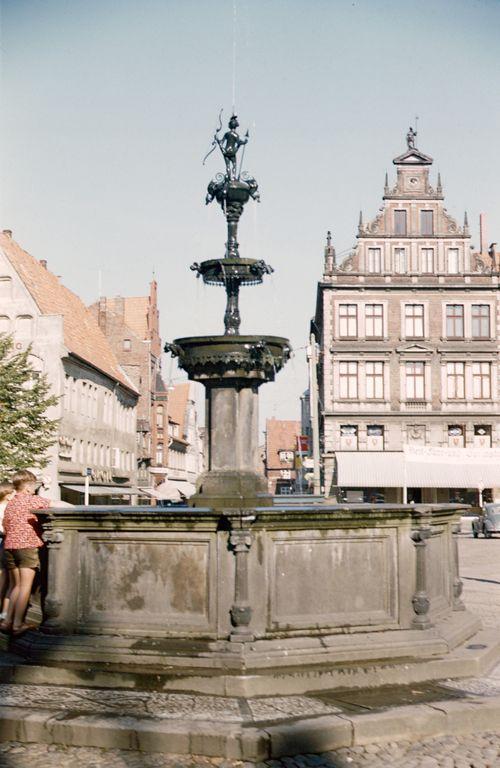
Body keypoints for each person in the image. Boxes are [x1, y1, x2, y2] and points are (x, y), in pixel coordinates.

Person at [0, 470, 52, 636]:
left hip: (9, 547)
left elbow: (5, 525)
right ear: (29, 487)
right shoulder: (31, 500)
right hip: (26, 546)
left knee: (15, 585)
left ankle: (7, 621)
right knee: (25, 587)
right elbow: (56, 504)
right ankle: (17, 624)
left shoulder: (11, 503)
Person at [0, 481, 16, 620]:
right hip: (5, 541)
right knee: (8, 580)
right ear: (7, 494)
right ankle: (5, 612)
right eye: (13, 492)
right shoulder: (7, 507)